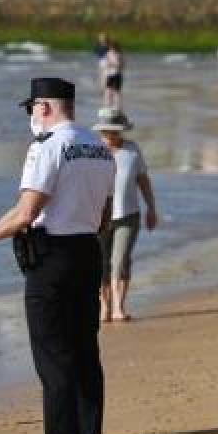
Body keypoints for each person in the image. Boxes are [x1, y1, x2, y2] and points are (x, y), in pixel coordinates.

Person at [0, 77, 115, 434]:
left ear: (44, 107)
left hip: (52, 255)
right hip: (87, 250)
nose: (30, 115)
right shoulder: (98, 146)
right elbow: (105, 215)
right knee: (84, 354)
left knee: (54, 358)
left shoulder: (47, 146)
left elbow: (26, 212)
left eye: (31, 108)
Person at [92, 108, 159, 323]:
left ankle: (119, 307)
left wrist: (151, 208)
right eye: (106, 131)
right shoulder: (92, 151)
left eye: (114, 131)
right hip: (98, 217)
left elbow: (143, 181)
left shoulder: (132, 150)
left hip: (128, 215)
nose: (110, 135)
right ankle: (105, 307)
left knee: (120, 260)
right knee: (100, 263)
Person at [103, 41, 124, 109]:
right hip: (110, 74)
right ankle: (107, 106)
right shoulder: (108, 54)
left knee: (116, 91)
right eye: (111, 47)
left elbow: (122, 65)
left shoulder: (119, 54)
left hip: (117, 74)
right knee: (108, 91)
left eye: (113, 47)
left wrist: (114, 64)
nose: (112, 48)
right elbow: (105, 64)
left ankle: (117, 106)